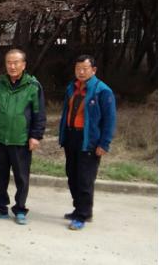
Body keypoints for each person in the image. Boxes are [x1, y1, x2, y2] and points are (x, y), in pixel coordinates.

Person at [0, 49, 46, 225]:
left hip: (22, 140)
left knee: (21, 177)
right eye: (9, 62)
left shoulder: (33, 86)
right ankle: (0, 207)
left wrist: (36, 136)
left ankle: (20, 209)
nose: (12, 66)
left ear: (23, 65)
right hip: (1, 138)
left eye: (16, 62)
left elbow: (39, 114)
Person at [58, 55, 116, 231]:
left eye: (85, 68)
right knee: (72, 175)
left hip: (89, 140)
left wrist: (104, 144)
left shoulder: (102, 90)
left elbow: (110, 120)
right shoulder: (72, 88)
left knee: (85, 179)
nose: (81, 72)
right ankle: (79, 209)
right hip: (71, 138)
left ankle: (82, 215)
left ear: (94, 70)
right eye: (78, 69)